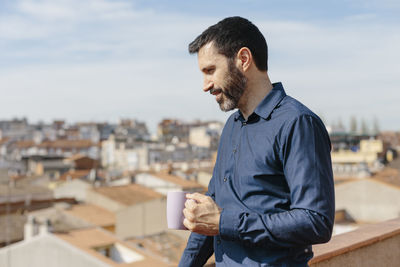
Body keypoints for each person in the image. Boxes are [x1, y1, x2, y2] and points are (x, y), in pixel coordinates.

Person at [179, 16, 335, 267]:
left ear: (243, 59)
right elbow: (212, 211)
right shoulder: (231, 126)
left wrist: (223, 222)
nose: (205, 85)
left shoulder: (298, 123)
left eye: (210, 71)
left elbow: (316, 221)